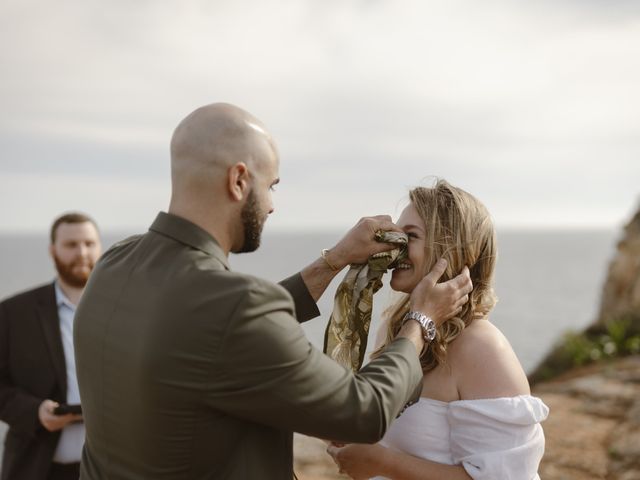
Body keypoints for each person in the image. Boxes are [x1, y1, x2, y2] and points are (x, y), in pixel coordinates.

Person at [73, 103, 473, 479]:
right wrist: (420, 320)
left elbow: (218, 327)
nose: (270, 207)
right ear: (239, 180)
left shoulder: (115, 263)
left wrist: (333, 260)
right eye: (272, 187)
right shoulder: (234, 308)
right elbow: (363, 413)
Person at [328, 180, 549, 480]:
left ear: (454, 249)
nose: (395, 246)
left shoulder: (481, 346)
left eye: (411, 236)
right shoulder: (394, 330)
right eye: (396, 235)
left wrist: (383, 463)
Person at [0, 213, 102, 480]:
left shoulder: (127, 309)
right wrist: (34, 412)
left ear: (100, 248)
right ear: (52, 249)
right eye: (71, 245)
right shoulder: (12, 313)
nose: (82, 252)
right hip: (38, 469)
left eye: (89, 244)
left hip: (111, 470)